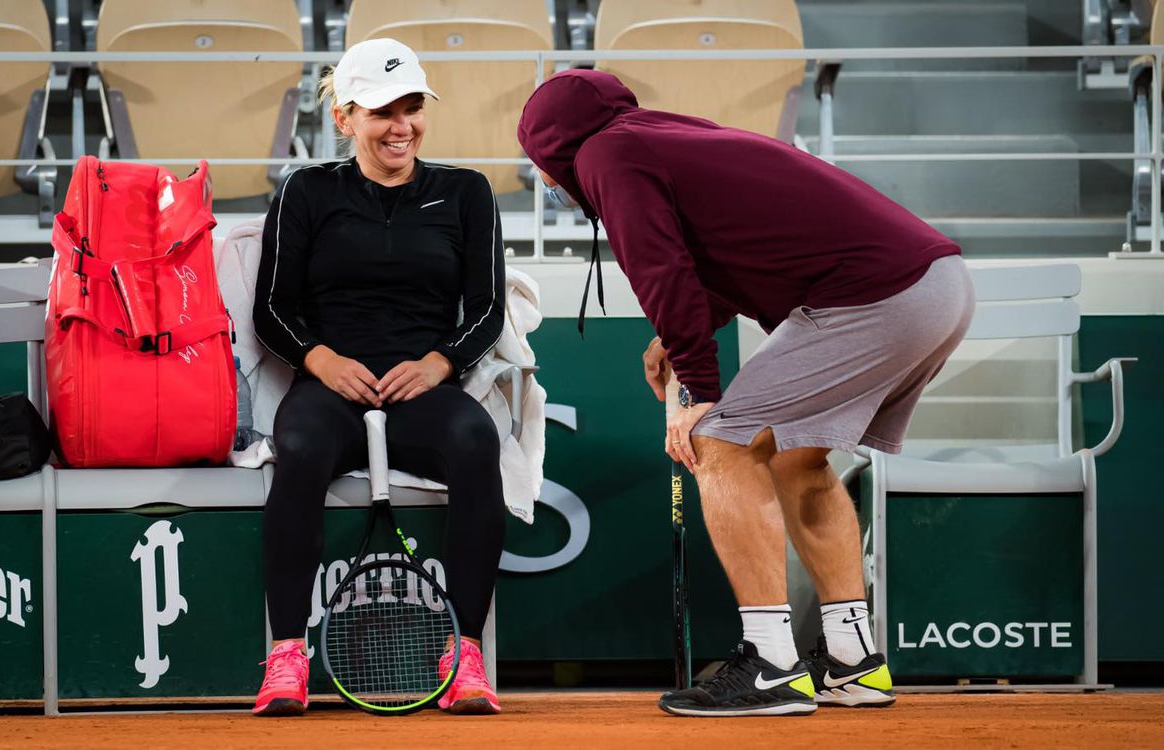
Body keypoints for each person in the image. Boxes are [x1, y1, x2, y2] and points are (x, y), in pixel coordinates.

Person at [518, 70, 975, 717]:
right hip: (937, 284)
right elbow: (741, 250)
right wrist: (685, 337)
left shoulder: (604, 155)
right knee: (796, 460)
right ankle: (853, 661)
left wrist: (699, 389)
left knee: (720, 442)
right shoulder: (658, 136)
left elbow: (661, 268)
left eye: (539, 168)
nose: (545, 184)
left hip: (873, 296)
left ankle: (771, 665)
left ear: (551, 151)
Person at [251, 38, 505, 717]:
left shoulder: (467, 192)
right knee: (298, 450)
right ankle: (285, 656)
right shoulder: (306, 191)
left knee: (478, 444)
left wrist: (439, 363)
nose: (402, 126)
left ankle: (466, 653)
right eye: (382, 111)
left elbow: (486, 310)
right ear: (344, 118)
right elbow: (270, 309)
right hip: (329, 391)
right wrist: (321, 360)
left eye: (413, 108)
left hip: (424, 392)